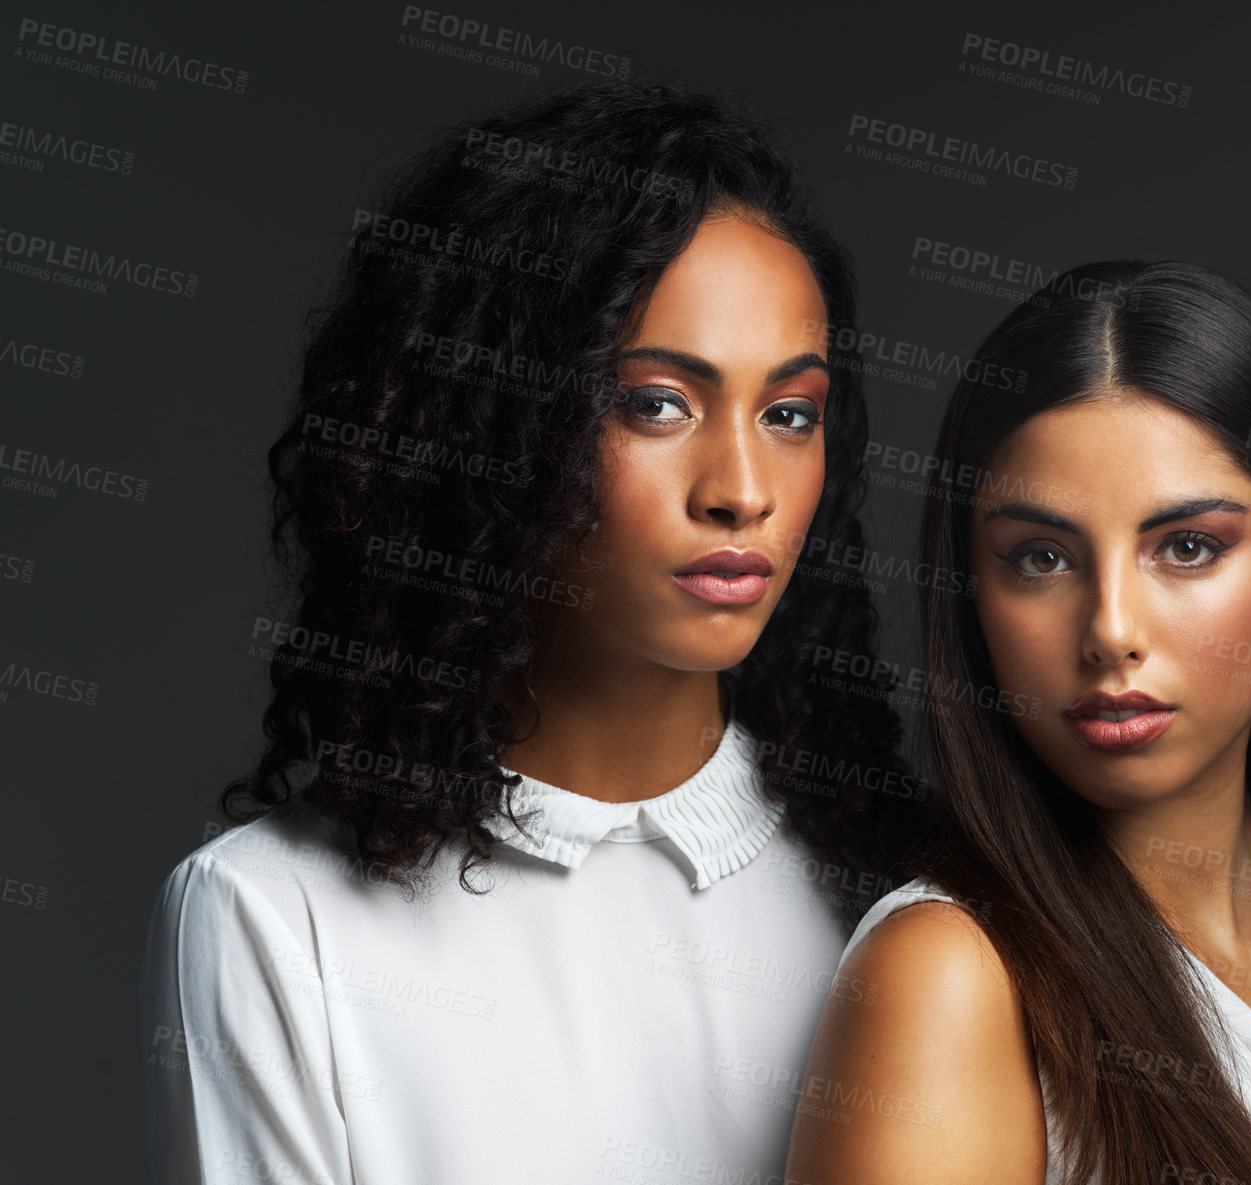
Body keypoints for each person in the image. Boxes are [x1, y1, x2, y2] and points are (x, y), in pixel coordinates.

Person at [140, 78, 921, 1185]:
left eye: (789, 414)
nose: (744, 489)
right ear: (487, 428)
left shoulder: (905, 891)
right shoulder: (273, 918)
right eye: (655, 402)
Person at [786, 260, 1251, 1184]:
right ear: (971, 587)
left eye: (1186, 547)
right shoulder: (947, 981)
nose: (1111, 631)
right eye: (1042, 558)